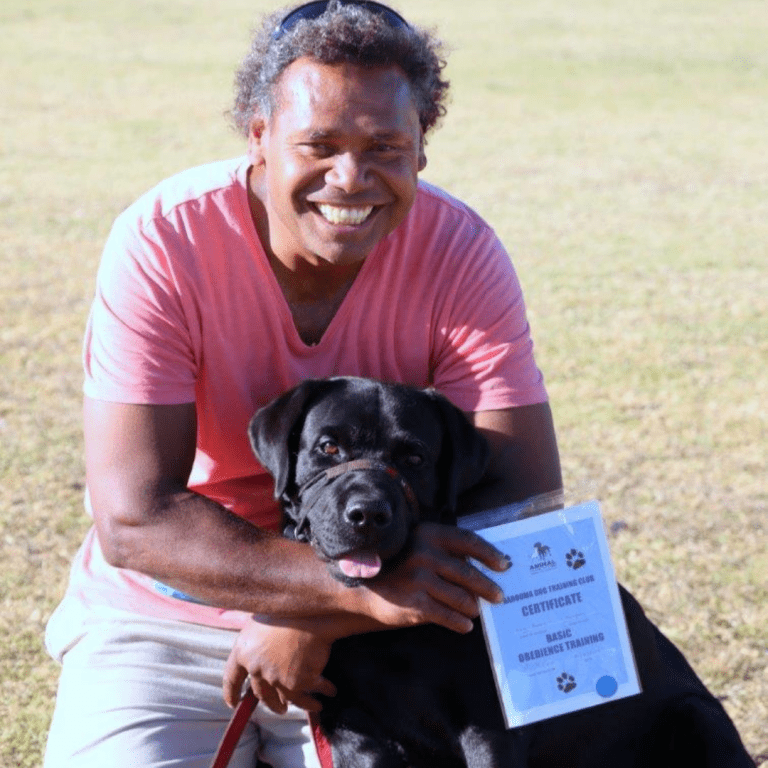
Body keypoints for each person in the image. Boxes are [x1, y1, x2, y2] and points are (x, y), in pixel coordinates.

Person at [43, 2, 561, 766]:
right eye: (319, 144)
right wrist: (331, 592)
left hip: (388, 614)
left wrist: (316, 618)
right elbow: (136, 520)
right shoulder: (165, 238)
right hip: (167, 616)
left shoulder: (460, 251)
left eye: (386, 146)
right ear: (258, 137)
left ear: (421, 149)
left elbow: (523, 503)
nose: (350, 178)